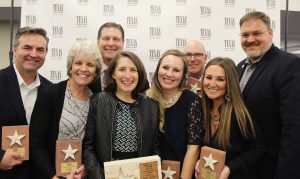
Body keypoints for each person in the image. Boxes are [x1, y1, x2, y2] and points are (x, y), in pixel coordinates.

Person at [237, 11, 300, 179]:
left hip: (272, 168)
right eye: (245, 35)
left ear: (270, 33)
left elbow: (294, 128)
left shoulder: (289, 66)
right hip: (244, 165)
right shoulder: (239, 67)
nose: (250, 39)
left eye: (257, 33)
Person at [29, 41, 101, 179]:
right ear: (70, 66)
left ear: (96, 70)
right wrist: (52, 176)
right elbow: (36, 144)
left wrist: (87, 167)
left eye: (90, 65)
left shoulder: (97, 98)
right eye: (78, 63)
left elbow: (96, 144)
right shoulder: (50, 94)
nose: (84, 69)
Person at [83, 51, 160, 179]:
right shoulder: (99, 101)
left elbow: (155, 149)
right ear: (113, 73)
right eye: (122, 69)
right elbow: (88, 146)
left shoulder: (151, 106)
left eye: (133, 70)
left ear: (139, 74)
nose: (127, 75)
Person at [195, 57, 265, 179]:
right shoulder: (200, 109)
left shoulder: (239, 114)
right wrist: (198, 160)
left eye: (220, 79)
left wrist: (229, 168)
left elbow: (258, 149)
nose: (212, 84)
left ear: (229, 83)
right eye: (208, 77)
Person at [0, 27, 52, 179]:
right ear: (14, 49)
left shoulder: (51, 90)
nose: (34, 54)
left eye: (40, 50)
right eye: (27, 48)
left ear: (46, 54)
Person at [146, 49, 202, 179]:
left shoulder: (192, 101)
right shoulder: (145, 99)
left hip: (181, 173)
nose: (169, 74)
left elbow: (193, 149)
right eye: (165, 67)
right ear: (158, 69)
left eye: (176, 70)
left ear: (183, 75)